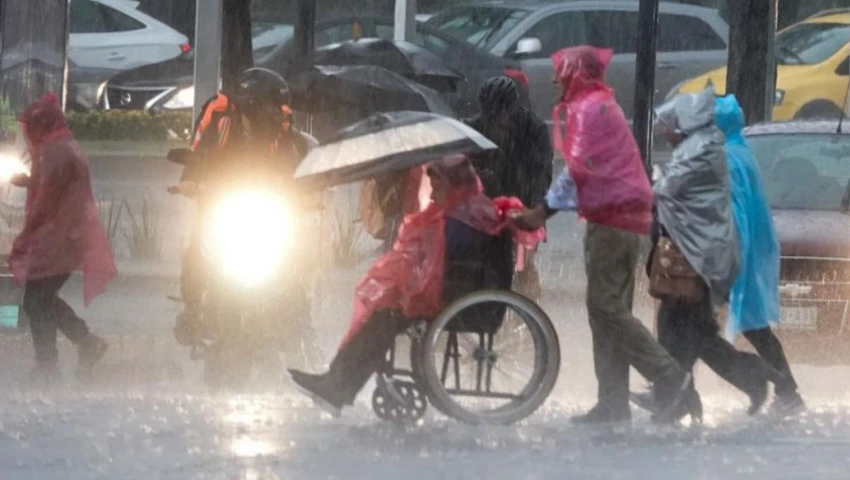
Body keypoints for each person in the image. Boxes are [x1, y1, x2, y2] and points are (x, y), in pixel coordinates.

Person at [510, 46, 694, 424]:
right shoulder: (598, 106)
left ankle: (671, 378)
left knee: (605, 309)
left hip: (614, 223)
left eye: (560, 72)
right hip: (620, 220)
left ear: (577, 73)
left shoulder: (590, 109)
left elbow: (575, 170)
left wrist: (540, 211)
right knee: (608, 312)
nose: (554, 80)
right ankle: (613, 401)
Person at [287, 155, 543, 416]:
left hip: (459, 299)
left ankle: (338, 387)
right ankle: (336, 381)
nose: (434, 191)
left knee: (385, 318)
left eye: (438, 184)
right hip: (453, 292)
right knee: (383, 312)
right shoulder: (460, 210)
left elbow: (446, 260)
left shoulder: (468, 215)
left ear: (454, 183)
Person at [642, 86, 778, 419]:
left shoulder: (700, 150)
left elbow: (665, 189)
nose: (665, 132)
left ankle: (674, 396)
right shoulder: (701, 146)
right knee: (696, 334)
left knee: (678, 327)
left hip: (698, 262)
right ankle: (744, 378)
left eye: (670, 125)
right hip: (699, 258)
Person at [172, 67, 313, 345]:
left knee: (291, 259)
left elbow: (294, 159)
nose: (271, 117)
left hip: (267, 203)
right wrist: (190, 181)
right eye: (264, 111)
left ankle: (304, 337)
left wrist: (305, 188)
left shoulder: (282, 127)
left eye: (275, 111)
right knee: (199, 249)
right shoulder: (218, 115)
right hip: (220, 198)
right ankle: (192, 308)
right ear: (246, 108)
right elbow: (198, 150)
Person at [9, 93, 116, 381]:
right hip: (68, 238)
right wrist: (32, 181)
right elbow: (59, 188)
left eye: (32, 126)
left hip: (56, 239)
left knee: (36, 300)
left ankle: (54, 361)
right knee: (41, 299)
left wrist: (25, 237)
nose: (29, 133)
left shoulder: (53, 152)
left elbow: (47, 201)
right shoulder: (65, 147)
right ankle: (77, 347)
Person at [715, 94, 805, 415]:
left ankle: (780, 386)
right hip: (752, 251)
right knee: (749, 327)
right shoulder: (741, 150)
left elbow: (735, 210)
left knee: (689, 322)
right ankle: (785, 389)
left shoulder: (728, 157)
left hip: (737, 254)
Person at [465, 75, 553, 300]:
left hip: (523, 203)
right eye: (489, 115)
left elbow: (542, 174)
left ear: (513, 109)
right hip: (485, 208)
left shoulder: (534, 131)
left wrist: (534, 210)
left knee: (522, 265)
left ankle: (528, 308)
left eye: (499, 116)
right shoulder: (473, 128)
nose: (494, 122)